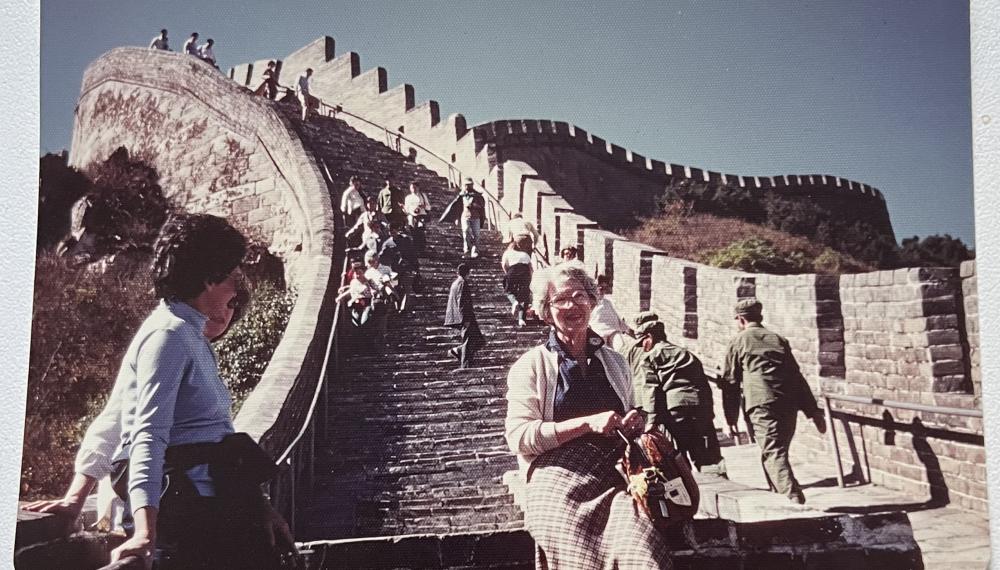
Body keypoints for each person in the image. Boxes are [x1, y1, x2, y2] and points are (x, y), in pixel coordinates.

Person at [51, 213, 295, 569]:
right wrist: (146, 534)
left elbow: (128, 415)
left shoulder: (185, 333)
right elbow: (146, 436)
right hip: (193, 514)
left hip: (214, 501)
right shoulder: (168, 336)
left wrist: (261, 509)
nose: (234, 288)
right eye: (230, 276)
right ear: (209, 278)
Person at [22, 289, 249, 535]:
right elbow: (116, 420)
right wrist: (75, 499)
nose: (227, 309)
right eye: (228, 298)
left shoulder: (198, 347)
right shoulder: (168, 338)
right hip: (162, 506)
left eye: (235, 304)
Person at [505, 261, 686, 569]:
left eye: (579, 296)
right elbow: (519, 438)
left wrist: (633, 424)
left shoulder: (616, 363)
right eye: (561, 299)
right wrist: (587, 423)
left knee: (642, 547)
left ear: (592, 301)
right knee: (575, 548)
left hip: (613, 475)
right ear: (546, 311)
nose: (572, 305)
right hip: (556, 477)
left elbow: (629, 421)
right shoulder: (531, 365)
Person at [721, 298, 827, 504]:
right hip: (788, 403)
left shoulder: (739, 341)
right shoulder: (777, 339)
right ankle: (781, 499)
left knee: (773, 453)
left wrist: (730, 418)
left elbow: (729, 383)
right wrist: (813, 412)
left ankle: (794, 500)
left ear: (741, 319)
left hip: (761, 404)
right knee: (778, 452)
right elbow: (797, 377)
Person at [633, 314, 724, 475]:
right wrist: (708, 411)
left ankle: (692, 491)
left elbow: (650, 390)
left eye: (642, 342)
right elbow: (703, 384)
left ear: (650, 336)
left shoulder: (650, 358)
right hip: (699, 409)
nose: (642, 347)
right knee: (706, 455)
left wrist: (651, 422)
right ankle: (717, 487)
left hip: (675, 412)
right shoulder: (685, 354)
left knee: (679, 457)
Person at [443, 263, 484, 368]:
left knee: (479, 340)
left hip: (463, 316)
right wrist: (465, 318)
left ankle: (458, 351)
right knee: (468, 340)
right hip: (465, 316)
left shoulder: (456, 283)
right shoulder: (462, 283)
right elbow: (461, 301)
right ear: (467, 272)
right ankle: (465, 365)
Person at [439, 178, 486, 258]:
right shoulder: (461, 195)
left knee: (476, 234)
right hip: (464, 216)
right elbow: (457, 207)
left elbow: (482, 206)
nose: (467, 186)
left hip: (476, 217)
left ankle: (475, 250)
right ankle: (467, 250)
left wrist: (474, 206)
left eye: (469, 185)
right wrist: (456, 218)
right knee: (465, 231)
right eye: (466, 185)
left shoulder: (477, 195)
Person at [589, 274, 630, 351]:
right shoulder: (589, 303)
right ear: (595, 287)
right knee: (603, 354)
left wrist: (633, 333)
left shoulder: (607, 303)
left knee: (622, 348)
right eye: (600, 288)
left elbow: (619, 322)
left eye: (605, 288)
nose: (602, 291)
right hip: (598, 335)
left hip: (613, 333)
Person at [501, 235, 532, 327]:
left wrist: (508, 274)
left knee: (509, 291)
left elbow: (504, 265)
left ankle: (514, 301)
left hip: (513, 270)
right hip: (525, 272)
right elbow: (530, 268)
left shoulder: (507, 253)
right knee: (525, 295)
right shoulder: (525, 254)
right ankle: (521, 319)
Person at [403, 182, 431, 251]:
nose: (414, 189)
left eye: (415, 188)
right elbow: (406, 209)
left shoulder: (423, 196)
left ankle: (422, 249)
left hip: (421, 216)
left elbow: (429, 207)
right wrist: (411, 210)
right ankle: (416, 249)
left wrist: (423, 206)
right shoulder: (408, 198)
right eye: (412, 188)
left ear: (418, 188)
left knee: (421, 232)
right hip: (412, 217)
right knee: (413, 232)